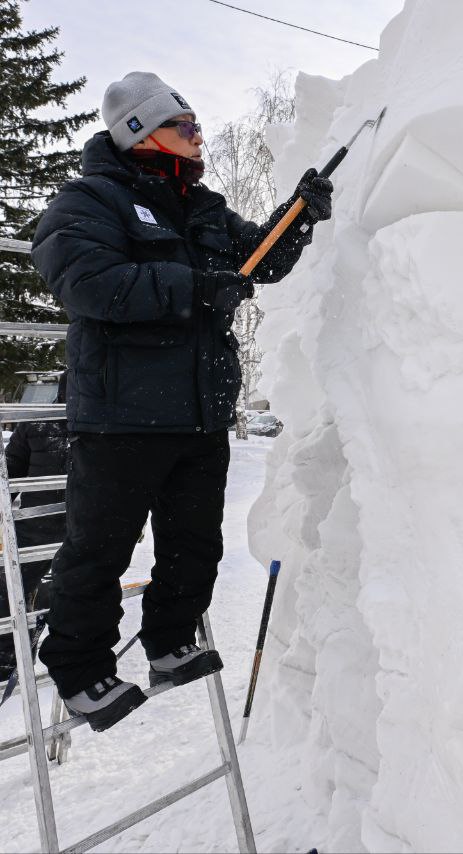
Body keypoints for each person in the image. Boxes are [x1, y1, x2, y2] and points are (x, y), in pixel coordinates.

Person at [29, 72, 332, 732]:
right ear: (141, 131)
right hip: (121, 417)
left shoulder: (204, 208)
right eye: (185, 127)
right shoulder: (90, 200)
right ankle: (78, 668)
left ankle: (169, 645)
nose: (199, 138)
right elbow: (87, 283)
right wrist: (193, 288)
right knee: (100, 549)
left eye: (198, 126)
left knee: (194, 547)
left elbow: (259, 258)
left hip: (197, 416)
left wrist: (298, 216)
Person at [0, 374, 69, 686]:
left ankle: (68, 657)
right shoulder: (37, 423)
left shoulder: (105, 428)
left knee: (65, 595)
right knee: (8, 589)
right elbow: (11, 471)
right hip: (37, 527)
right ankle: (7, 655)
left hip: (79, 531)